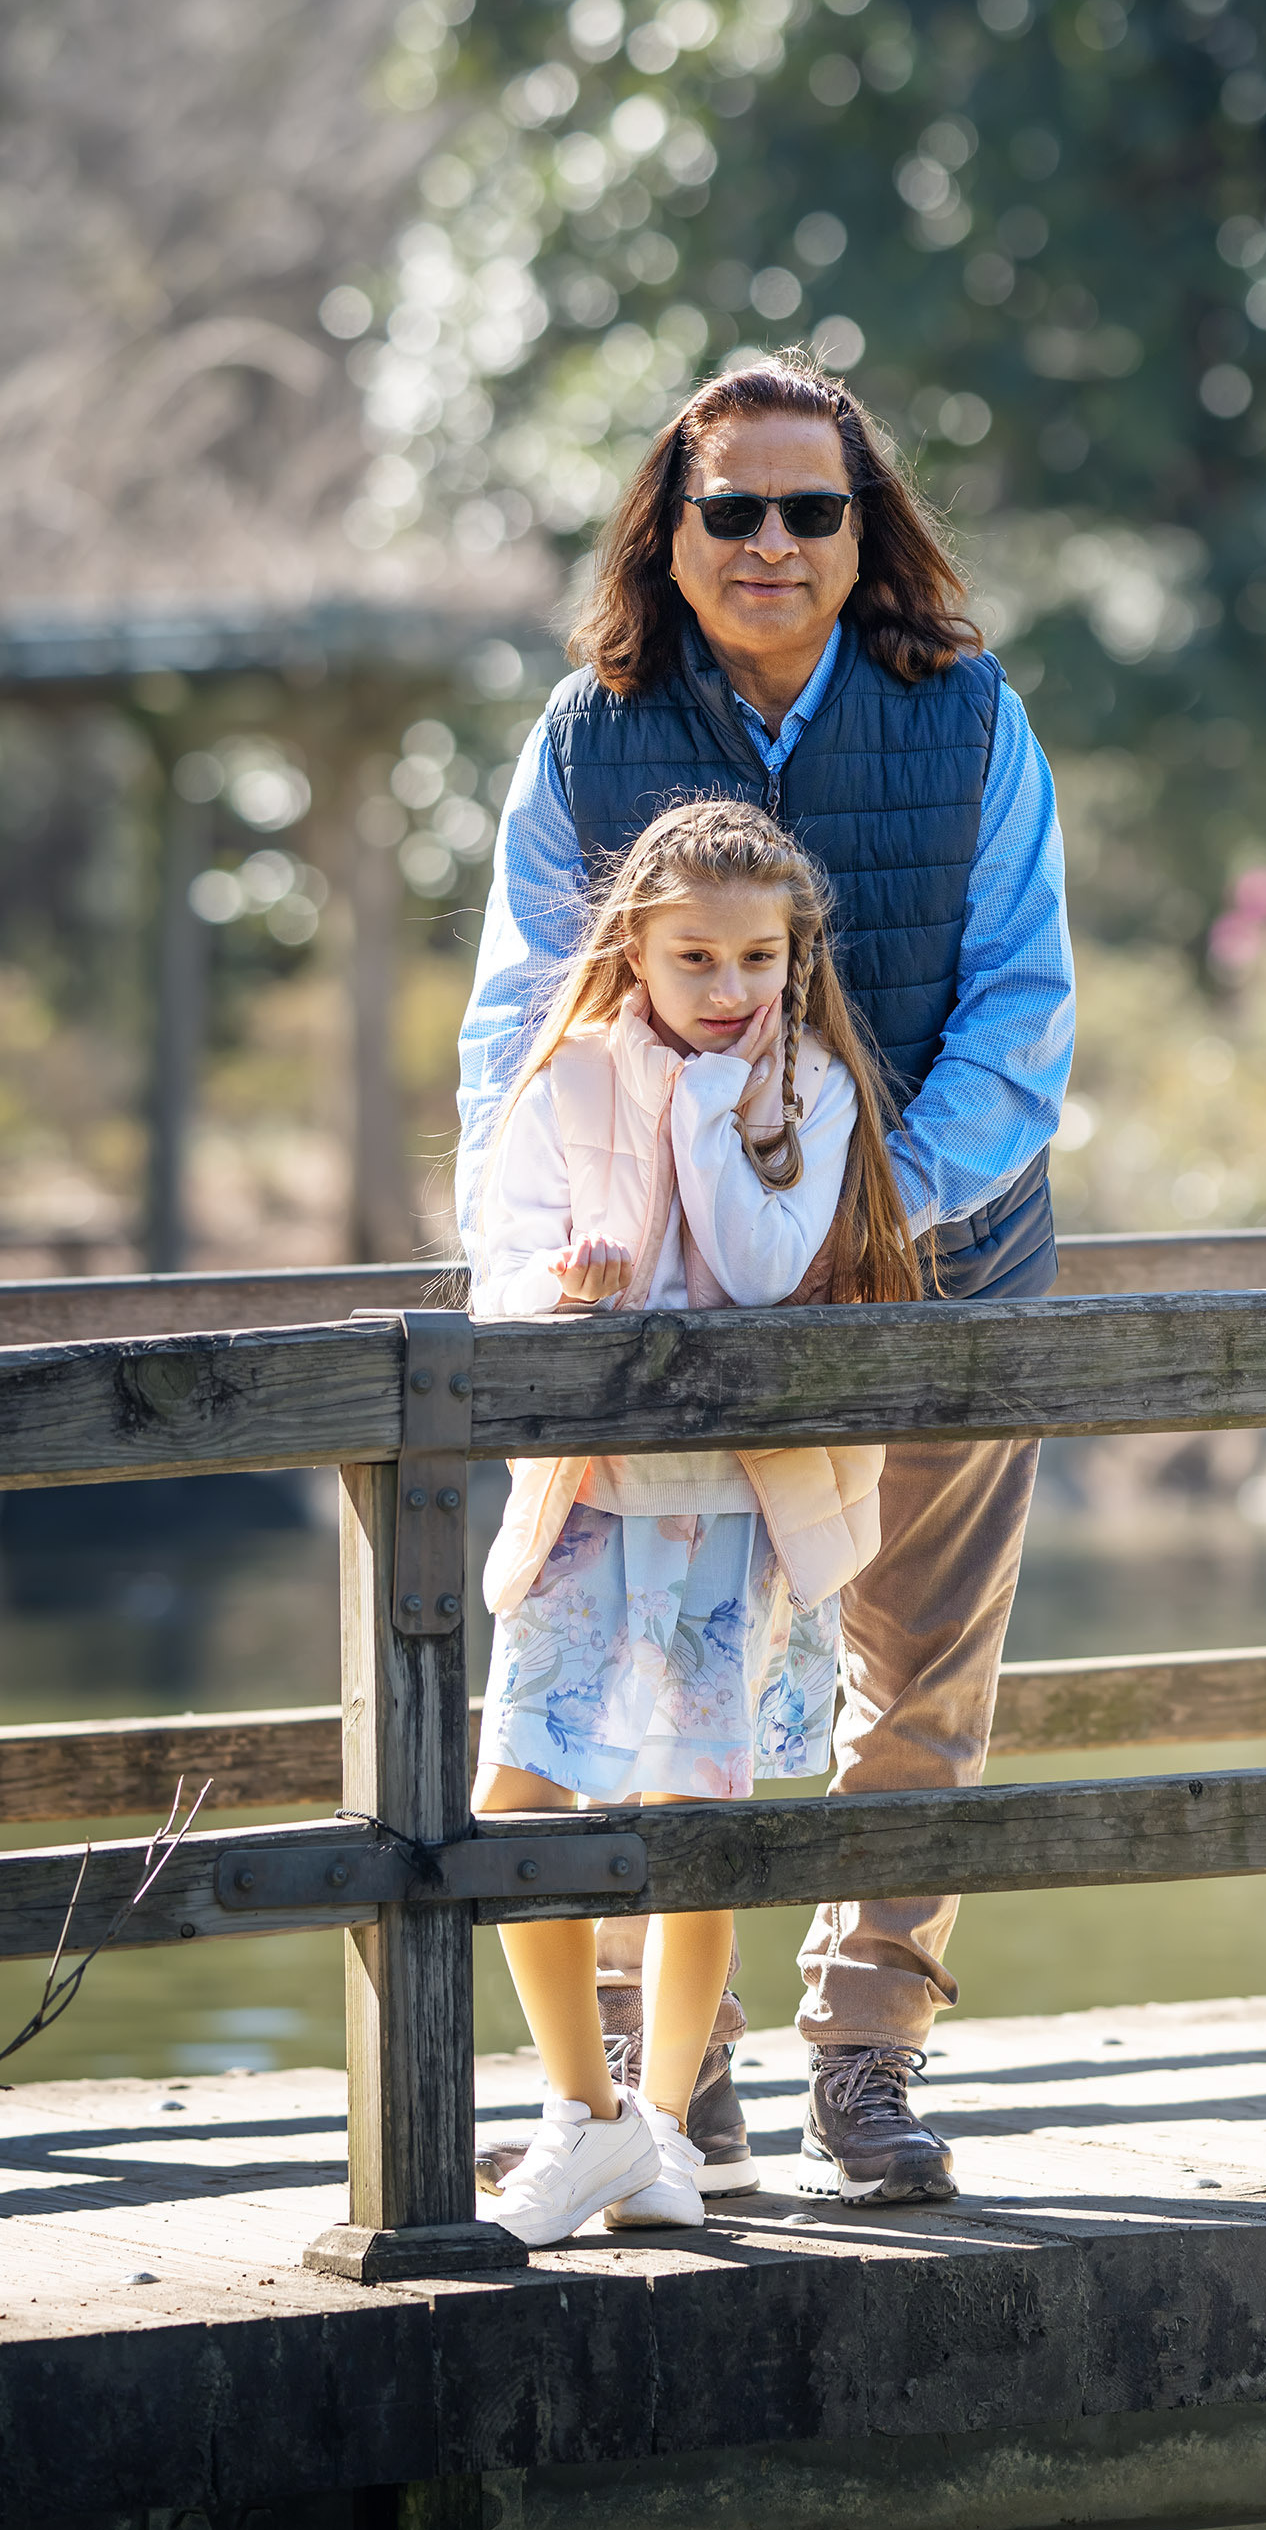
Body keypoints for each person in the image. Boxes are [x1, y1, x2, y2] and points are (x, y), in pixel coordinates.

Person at [458, 349, 1072, 2205]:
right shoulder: (588, 731)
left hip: (944, 1271)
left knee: (916, 1674)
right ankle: (668, 2083)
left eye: (818, 506)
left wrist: (860, 1216)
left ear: (866, 530)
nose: (776, 541)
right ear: (673, 528)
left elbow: (1021, 1016)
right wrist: (539, 1274)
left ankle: (867, 2054)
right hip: (662, 1329)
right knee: (661, 1677)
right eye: (734, 507)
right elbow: (515, 1027)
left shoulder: (971, 717)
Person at [469, 798, 926, 2248]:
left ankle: (663, 2126)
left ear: (796, 958)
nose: (730, 992)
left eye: (758, 961)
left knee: (697, 1823)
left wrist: (714, 1114)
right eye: (696, 961)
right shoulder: (567, 1078)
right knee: (517, 1799)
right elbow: (503, 1272)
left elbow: (756, 1258)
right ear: (635, 948)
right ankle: (581, 2115)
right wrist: (569, 1284)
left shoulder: (816, 1093)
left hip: (733, 1507)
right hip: (596, 1499)